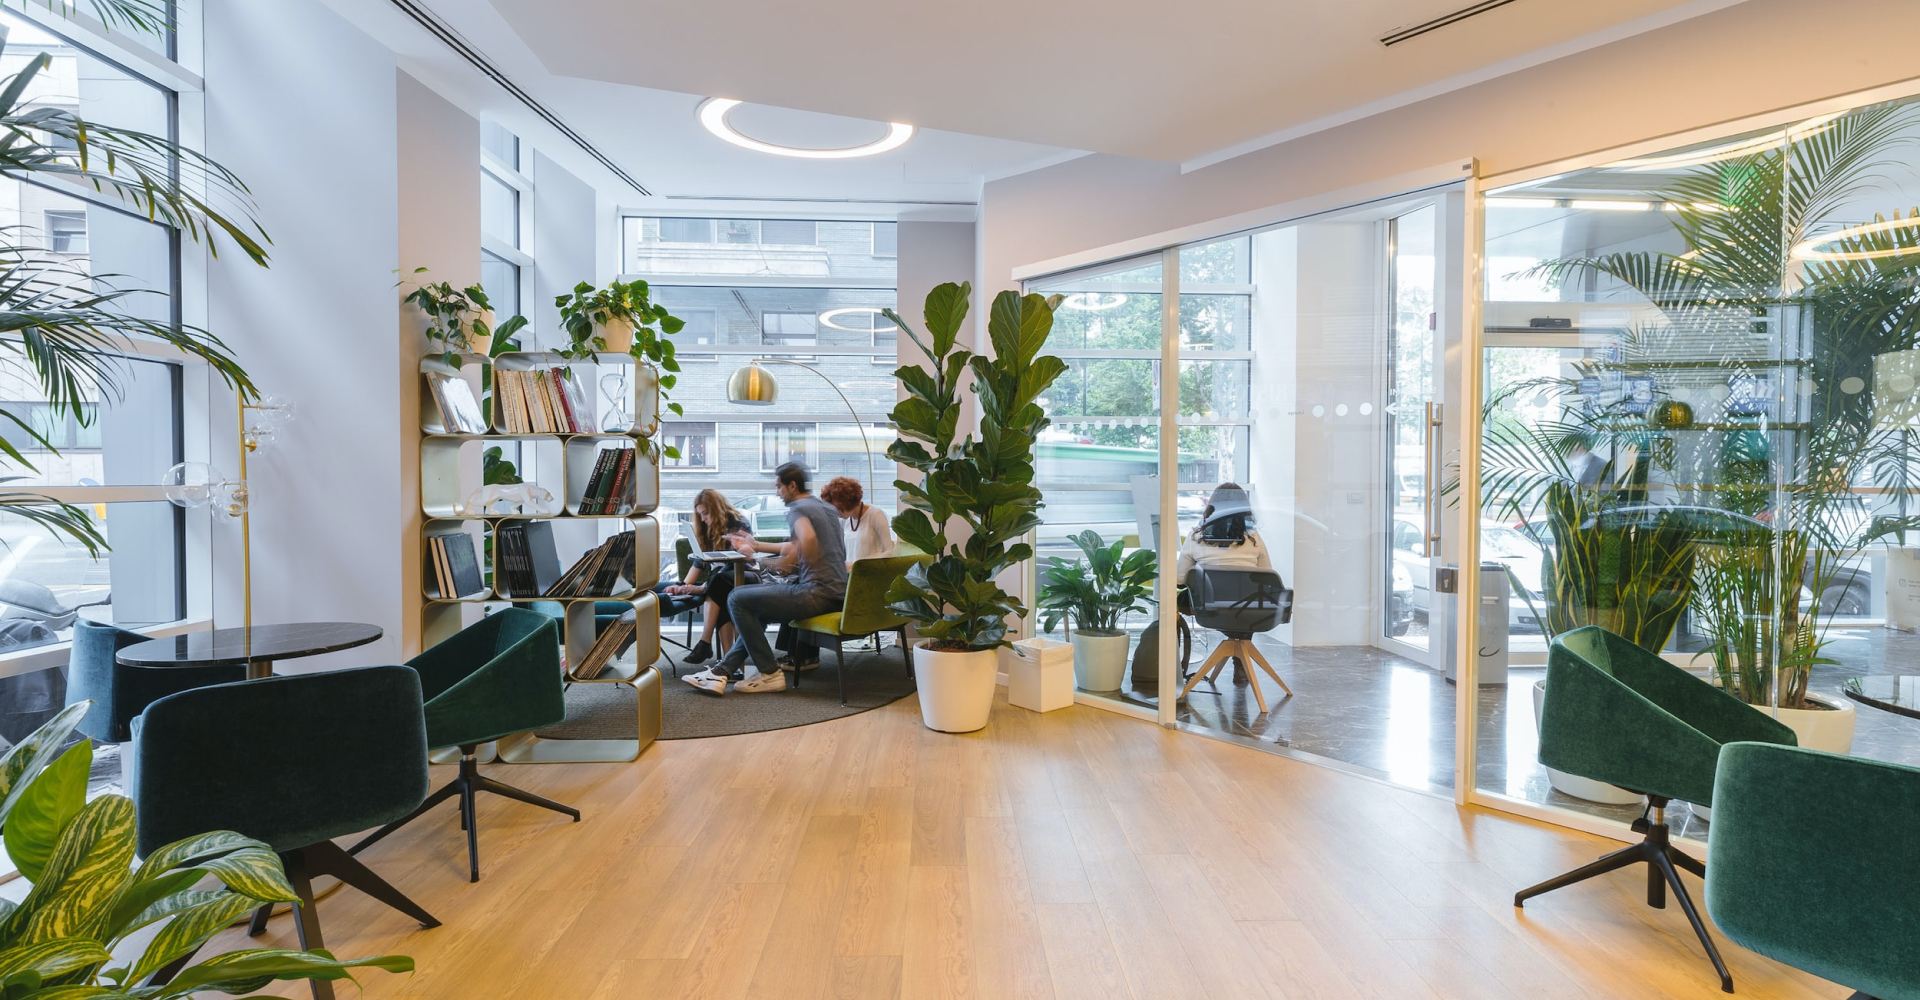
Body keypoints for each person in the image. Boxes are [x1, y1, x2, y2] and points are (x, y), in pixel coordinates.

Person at [683, 462, 848, 695]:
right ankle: (721, 672)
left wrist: (779, 563)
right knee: (753, 609)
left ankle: (769, 673)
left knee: (736, 598)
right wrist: (757, 546)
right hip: (838, 595)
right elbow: (805, 544)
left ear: (792, 486)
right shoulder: (826, 509)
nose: (777, 493)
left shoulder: (797, 509)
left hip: (814, 594)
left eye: (779, 487)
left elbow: (807, 541)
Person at [1174, 483, 1273, 685]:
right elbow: (1266, 576)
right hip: (1246, 610)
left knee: (1175, 605)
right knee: (1247, 596)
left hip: (1206, 608)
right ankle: (1240, 664)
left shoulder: (1196, 536)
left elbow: (1180, 579)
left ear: (1211, 507)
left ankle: (1173, 666)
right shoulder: (1254, 538)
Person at [660, 488, 750, 665]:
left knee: (718, 583)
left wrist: (701, 588)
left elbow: (737, 561)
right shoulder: (706, 528)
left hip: (743, 575)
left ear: (717, 509)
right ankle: (729, 661)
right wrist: (683, 586)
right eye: (700, 514)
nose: (703, 518)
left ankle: (705, 642)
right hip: (718, 582)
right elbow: (699, 563)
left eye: (706, 513)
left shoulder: (739, 523)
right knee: (721, 594)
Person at [821, 476, 894, 564]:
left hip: (872, 569)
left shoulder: (875, 515)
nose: (837, 513)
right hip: (851, 570)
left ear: (849, 502)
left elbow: (889, 551)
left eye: (839, 509)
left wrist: (858, 564)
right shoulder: (845, 519)